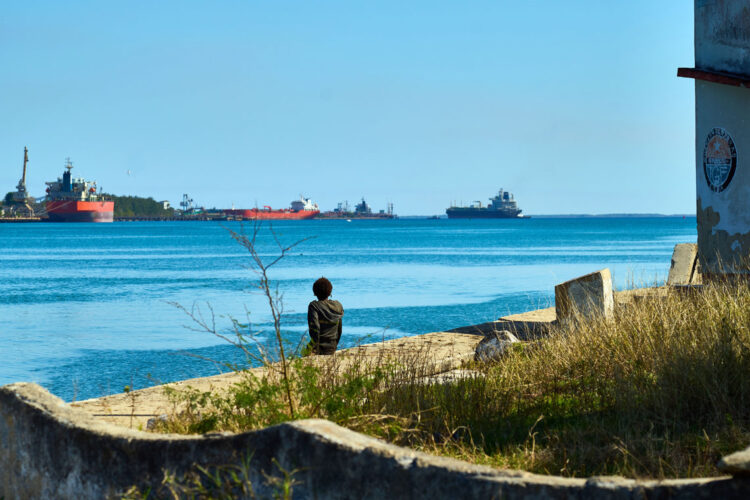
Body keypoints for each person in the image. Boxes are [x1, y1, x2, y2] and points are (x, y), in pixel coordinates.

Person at [306, 277, 344, 355]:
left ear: (315, 292)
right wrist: (335, 345)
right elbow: (339, 330)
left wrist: (312, 348)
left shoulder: (314, 306)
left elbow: (315, 329)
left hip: (319, 347)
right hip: (332, 346)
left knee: (302, 354)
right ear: (330, 292)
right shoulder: (338, 305)